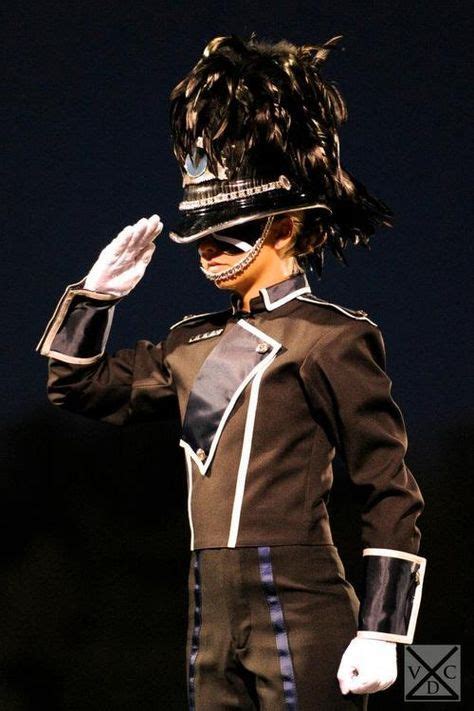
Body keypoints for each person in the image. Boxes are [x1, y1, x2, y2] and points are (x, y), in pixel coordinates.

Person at [36, 34, 427, 710]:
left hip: (303, 601)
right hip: (207, 607)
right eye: (202, 234)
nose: (209, 250)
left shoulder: (332, 336)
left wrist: (385, 629)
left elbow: (388, 488)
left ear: (288, 227)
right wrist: (93, 297)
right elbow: (78, 387)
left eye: (231, 232)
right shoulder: (189, 343)